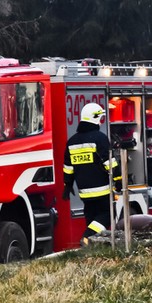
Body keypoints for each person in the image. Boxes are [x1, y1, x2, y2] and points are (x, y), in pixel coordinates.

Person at [61, 103, 121, 246]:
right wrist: (118, 180)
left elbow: (68, 167)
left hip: (84, 192)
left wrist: (67, 185)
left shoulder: (72, 142)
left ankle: (91, 249)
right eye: (100, 118)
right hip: (102, 190)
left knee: (92, 218)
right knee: (107, 215)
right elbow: (109, 163)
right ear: (94, 118)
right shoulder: (99, 138)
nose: (101, 121)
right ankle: (87, 238)